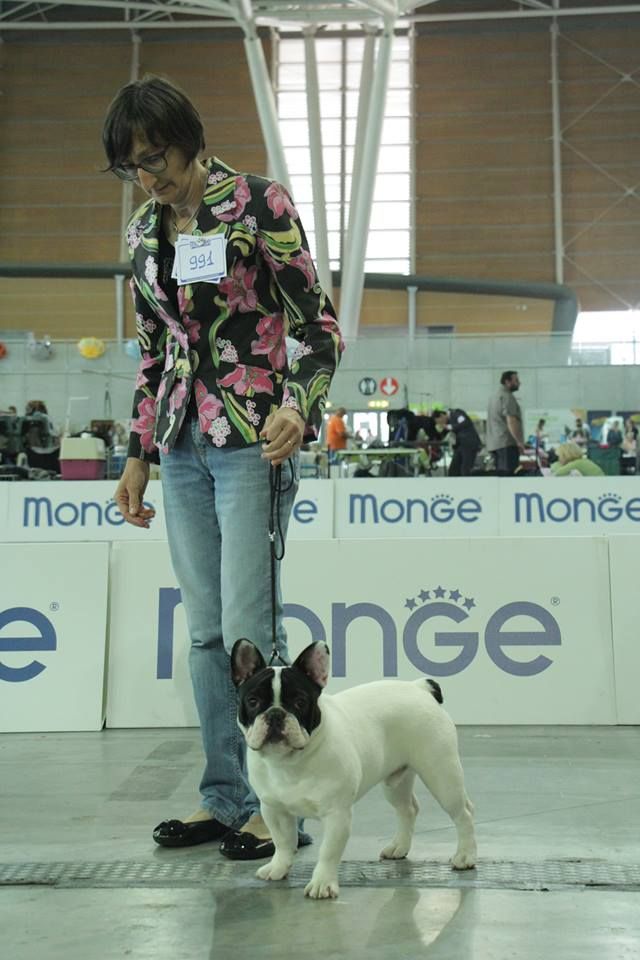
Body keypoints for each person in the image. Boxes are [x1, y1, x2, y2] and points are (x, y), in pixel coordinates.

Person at [102, 75, 343, 860]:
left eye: (157, 157)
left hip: (251, 440)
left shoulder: (258, 204)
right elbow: (151, 355)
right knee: (206, 636)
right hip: (179, 445)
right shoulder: (142, 234)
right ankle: (226, 796)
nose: (149, 176)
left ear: (192, 140)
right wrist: (137, 454)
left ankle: (281, 811)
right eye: (133, 166)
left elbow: (318, 325)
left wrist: (299, 404)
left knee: (248, 628)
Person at [485, 371, 524, 476]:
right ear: (507, 382)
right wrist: (519, 442)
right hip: (506, 443)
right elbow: (511, 420)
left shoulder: (493, 397)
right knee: (509, 477)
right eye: (516, 380)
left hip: (494, 443)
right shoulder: (507, 396)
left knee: (499, 478)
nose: (519, 383)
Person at [434, 408, 482, 477]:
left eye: (440, 421)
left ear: (442, 415)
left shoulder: (456, 414)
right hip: (460, 446)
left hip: (468, 444)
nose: (441, 423)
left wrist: (449, 427)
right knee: (453, 470)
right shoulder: (449, 422)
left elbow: (465, 422)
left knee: (465, 468)